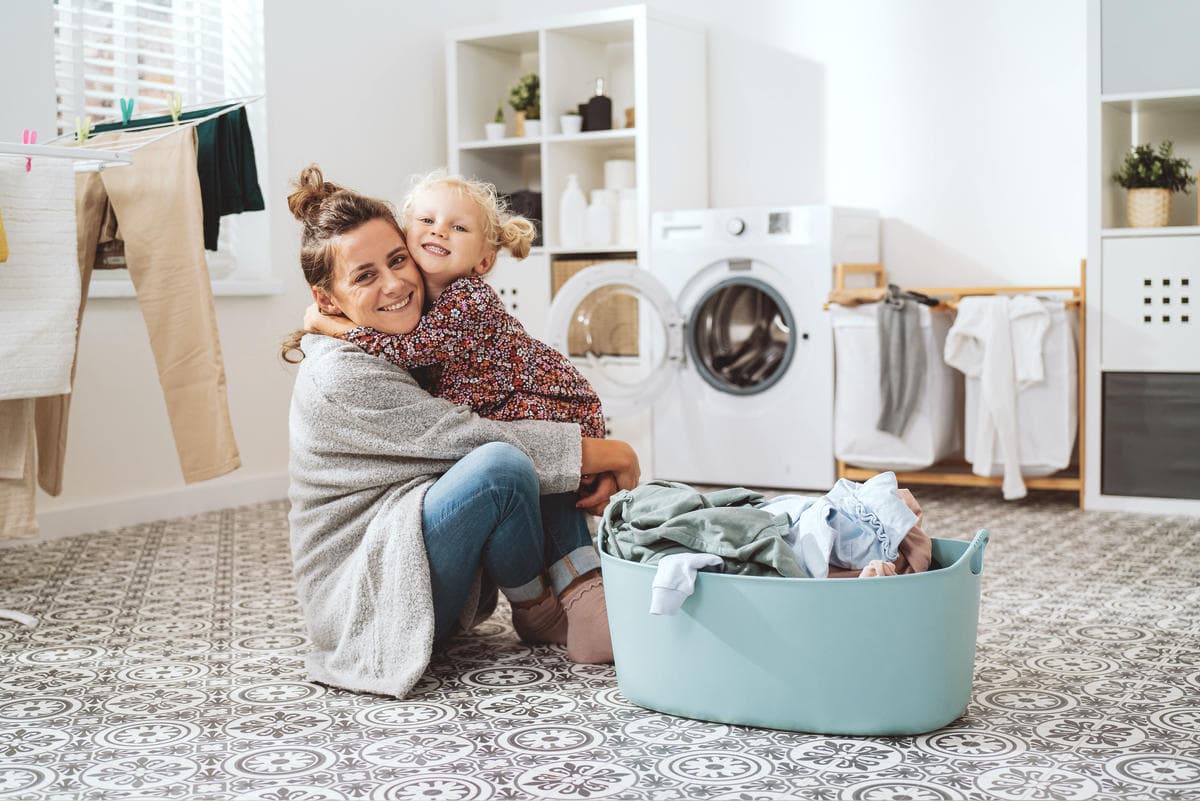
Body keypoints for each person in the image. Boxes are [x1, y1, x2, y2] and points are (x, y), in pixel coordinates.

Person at [282, 165, 639, 697]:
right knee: (502, 462)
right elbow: (469, 437)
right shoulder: (342, 372)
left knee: (525, 444)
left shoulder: (432, 322)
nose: (396, 283)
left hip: (414, 556)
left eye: (398, 259)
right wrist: (615, 454)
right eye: (365, 276)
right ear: (328, 297)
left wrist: (328, 319)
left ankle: (582, 591)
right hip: (369, 592)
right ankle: (541, 607)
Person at [303, 170, 605, 440]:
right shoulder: (413, 305)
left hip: (550, 405)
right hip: (502, 409)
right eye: (426, 220)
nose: (439, 231)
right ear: (408, 234)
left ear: (484, 260)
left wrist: (330, 324)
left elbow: (410, 350)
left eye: (459, 228)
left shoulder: (470, 297)